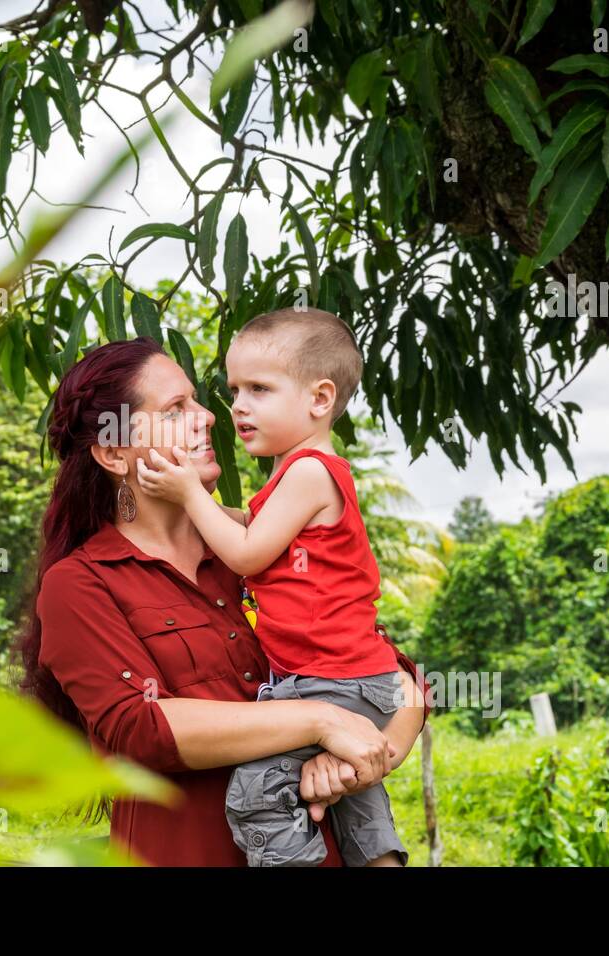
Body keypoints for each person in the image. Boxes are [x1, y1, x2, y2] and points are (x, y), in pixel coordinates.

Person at [15, 336, 429, 866]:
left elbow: (394, 677)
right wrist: (321, 721)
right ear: (116, 451)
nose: (208, 416)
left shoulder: (262, 549)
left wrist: (363, 760)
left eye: (197, 400)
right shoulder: (81, 584)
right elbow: (139, 727)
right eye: (175, 409)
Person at [136, 307, 412, 866]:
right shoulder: (299, 472)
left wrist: (191, 496)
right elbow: (251, 530)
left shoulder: (309, 471)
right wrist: (199, 510)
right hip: (355, 676)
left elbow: (245, 553)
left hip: (333, 682)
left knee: (255, 793)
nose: (237, 405)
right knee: (355, 797)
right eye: (235, 388)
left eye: (260, 388)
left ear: (319, 399)